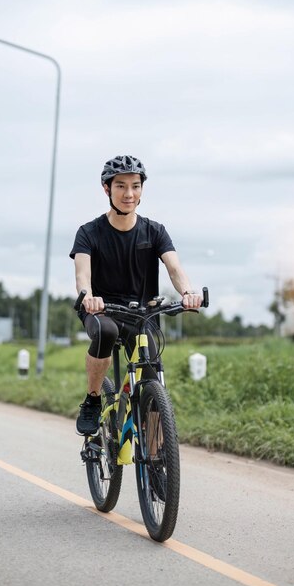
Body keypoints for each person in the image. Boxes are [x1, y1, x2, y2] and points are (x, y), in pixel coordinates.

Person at [70, 155, 202, 435]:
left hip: (142, 313)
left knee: (154, 384)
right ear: (107, 189)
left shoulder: (154, 231)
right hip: (102, 310)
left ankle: (156, 465)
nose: (129, 193)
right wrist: (89, 296)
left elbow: (174, 268)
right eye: (120, 186)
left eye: (135, 186)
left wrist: (188, 292)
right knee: (105, 333)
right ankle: (93, 399)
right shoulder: (88, 233)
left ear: (142, 188)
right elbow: (82, 275)